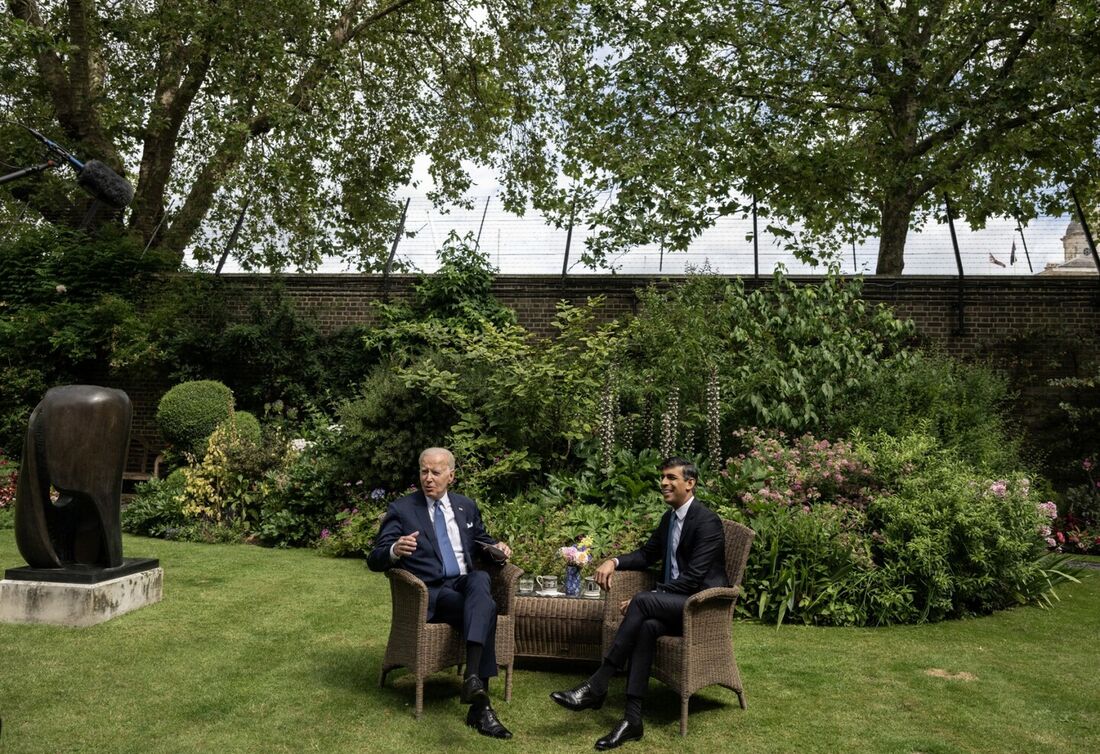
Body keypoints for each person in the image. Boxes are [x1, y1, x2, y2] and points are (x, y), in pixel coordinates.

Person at [550, 456, 727, 750]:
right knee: (646, 626)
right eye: (663, 477)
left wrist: (652, 595)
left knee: (643, 603)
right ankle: (632, 719)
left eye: (671, 478)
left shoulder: (707, 521)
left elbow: (694, 578)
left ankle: (597, 684)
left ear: (690, 483)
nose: (664, 483)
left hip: (701, 606)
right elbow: (647, 555)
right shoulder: (669, 518)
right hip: (676, 603)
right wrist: (614, 561)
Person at [368, 447, 514, 739]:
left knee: (480, 580)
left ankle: (472, 679)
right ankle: (480, 707)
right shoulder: (403, 509)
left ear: (451, 476)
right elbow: (374, 558)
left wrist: (499, 548)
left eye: (436, 472)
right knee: (485, 610)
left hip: (463, 583)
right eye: (424, 471)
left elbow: (481, 540)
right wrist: (396, 549)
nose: (428, 478)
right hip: (431, 591)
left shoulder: (465, 506)